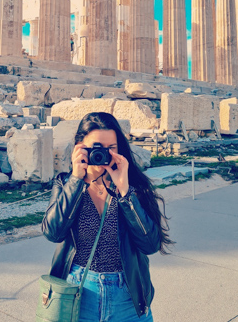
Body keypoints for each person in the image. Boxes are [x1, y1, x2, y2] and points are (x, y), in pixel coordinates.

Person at [42, 112, 174, 322]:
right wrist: (77, 180)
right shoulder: (65, 183)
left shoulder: (134, 187)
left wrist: (125, 191)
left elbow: (150, 245)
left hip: (127, 294)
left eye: (111, 148)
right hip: (78, 291)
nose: (103, 154)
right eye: (96, 147)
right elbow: (53, 233)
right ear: (79, 147)